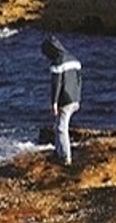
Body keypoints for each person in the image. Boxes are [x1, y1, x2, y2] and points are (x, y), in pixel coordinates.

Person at [41, 36, 82, 166]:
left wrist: (54, 103)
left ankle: (65, 157)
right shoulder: (74, 60)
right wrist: (77, 97)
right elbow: (79, 81)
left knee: (61, 128)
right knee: (59, 124)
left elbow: (56, 84)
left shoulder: (57, 64)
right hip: (75, 98)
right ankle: (58, 152)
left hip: (64, 100)